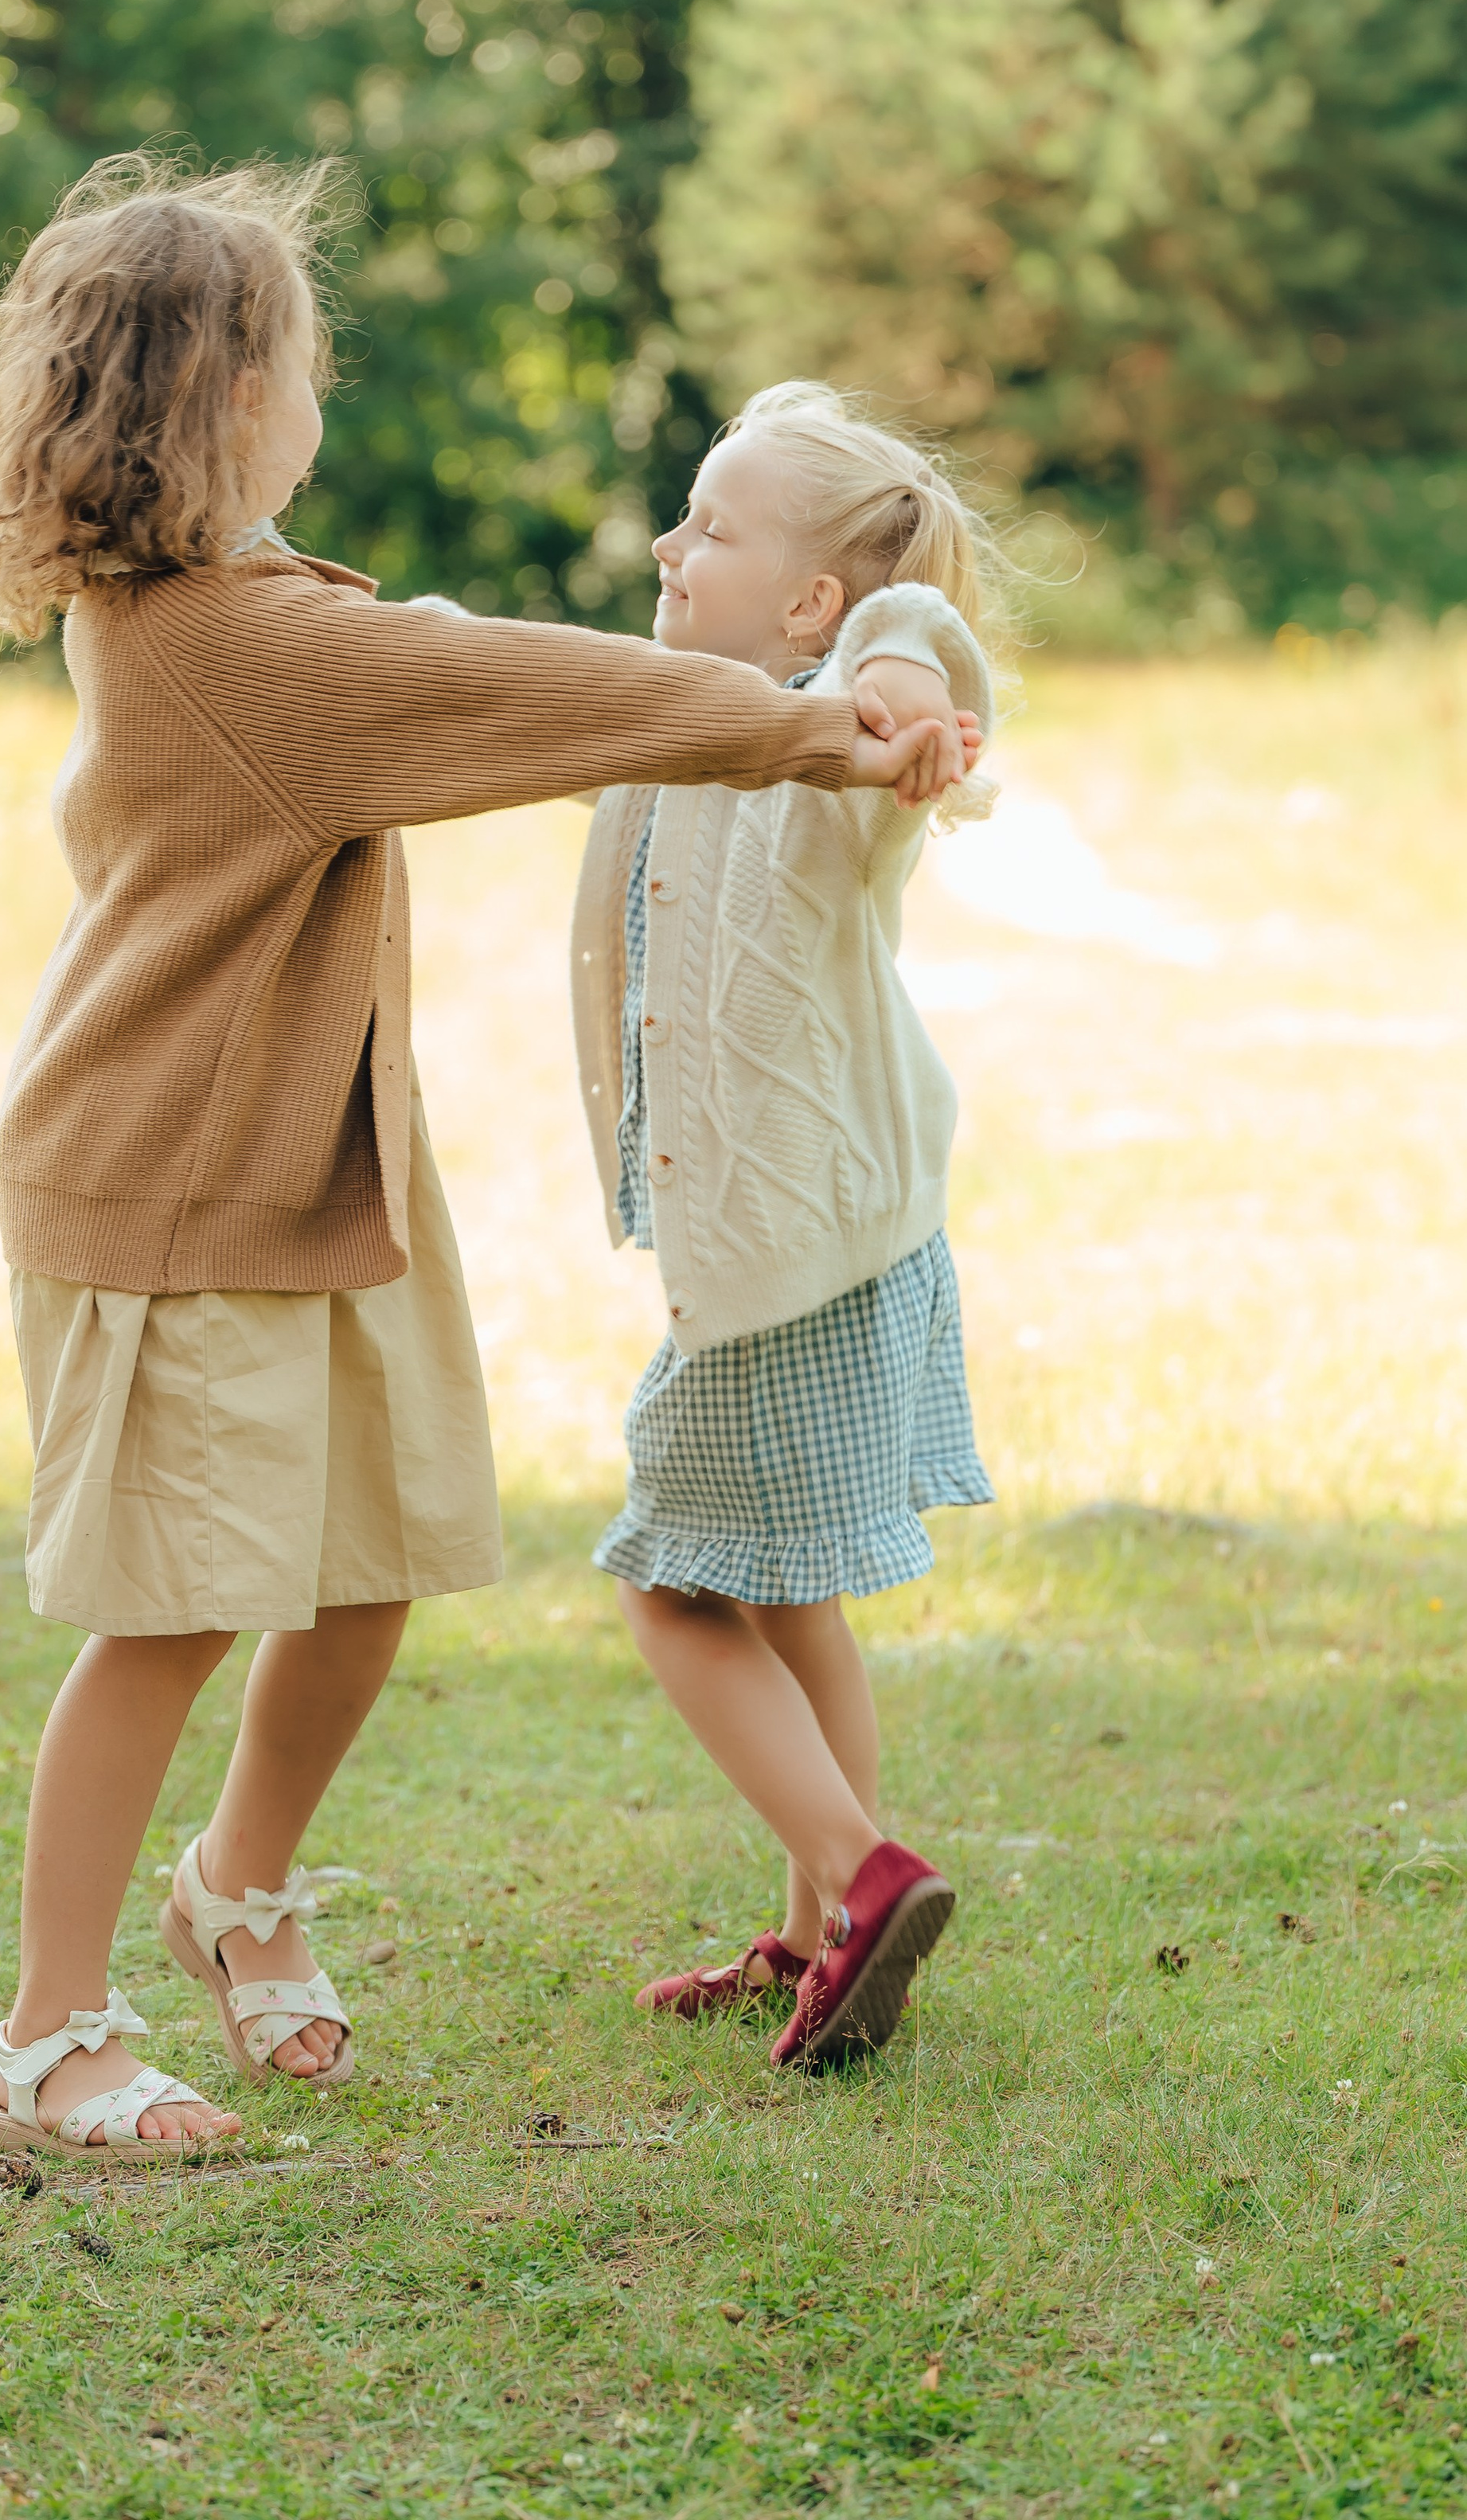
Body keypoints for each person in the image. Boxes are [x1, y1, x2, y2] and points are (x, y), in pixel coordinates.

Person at [0, 160, 975, 2160]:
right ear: (231, 405)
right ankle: (52, 2033)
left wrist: (822, 702)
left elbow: (435, 656)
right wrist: (800, 722)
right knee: (167, 1615)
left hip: (316, 1174)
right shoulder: (234, 649)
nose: (319, 395)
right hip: (170, 1189)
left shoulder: (239, 600)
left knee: (366, 1573)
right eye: (302, 363)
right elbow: (511, 684)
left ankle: (235, 1890)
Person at [571, 380, 1000, 2071]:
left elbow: (915, 643)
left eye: (713, 527)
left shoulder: (843, 722)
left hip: (791, 1263)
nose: (672, 547)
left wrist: (894, 684)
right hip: (818, 1246)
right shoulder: (694, 717)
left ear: (810, 607)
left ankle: (858, 1869)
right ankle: (834, 1928)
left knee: (675, 1587)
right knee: (789, 1590)